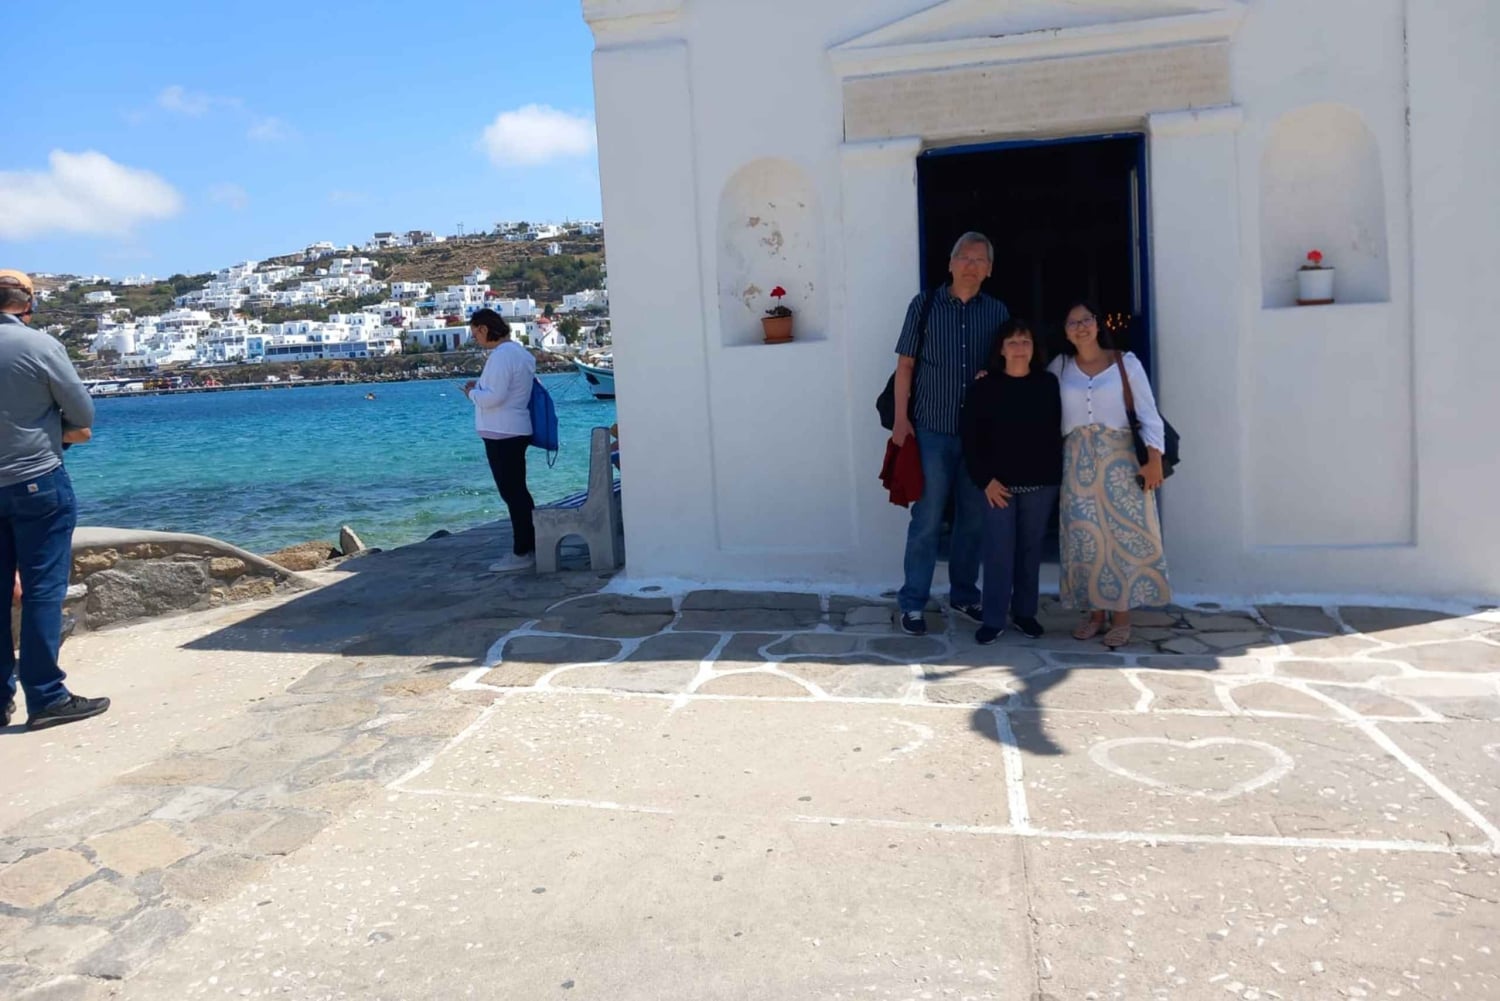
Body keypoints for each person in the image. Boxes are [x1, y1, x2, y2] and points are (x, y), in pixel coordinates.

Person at [0, 269, 109, 729]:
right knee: (43, 591)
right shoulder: (40, 346)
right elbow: (83, 413)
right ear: (27, 302)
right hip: (36, 480)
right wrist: (47, 428)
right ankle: (46, 697)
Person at [891, 232, 1010, 635]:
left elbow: (1009, 368)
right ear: (950, 263)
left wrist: (993, 378)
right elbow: (906, 366)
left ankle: (963, 595)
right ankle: (912, 603)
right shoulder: (924, 305)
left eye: (980, 260)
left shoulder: (997, 312)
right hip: (931, 431)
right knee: (926, 518)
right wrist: (901, 420)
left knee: (972, 519)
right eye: (965, 257)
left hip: (978, 437)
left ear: (989, 270)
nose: (971, 266)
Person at [1047, 300, 1171, 648]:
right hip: (1077, 462)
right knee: (1086, 537)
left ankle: (1121, 616)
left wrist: (1154, 459)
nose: (1081, 327)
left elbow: (1148, 413)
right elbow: (1036, 398)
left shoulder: (1125, 363)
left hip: (1121, 462)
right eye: (1073, 323)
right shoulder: (1060, 367)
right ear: (1065, 332)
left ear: (1098, 324)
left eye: (1086, 320)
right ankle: (1095, 613)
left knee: (1122, 537)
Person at [960, 319, 1062, 644]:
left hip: (1039, 485)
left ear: (1034, 348)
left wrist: (1053, 479)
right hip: (997, 486)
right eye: (1013, 342)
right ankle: (993, 618)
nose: (1020, 348)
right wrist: (985, 480)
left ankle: (1025, 613)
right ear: (1001, 349)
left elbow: (1055, 432)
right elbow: (971, 439)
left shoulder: (1048, 384)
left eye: (1025, 341)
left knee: (1030, 552)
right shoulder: (983, 388)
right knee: (998, 552)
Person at [463, 307, 536, 573]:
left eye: (476, 335)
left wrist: (471, 393)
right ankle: (531, 545)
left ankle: (523, 551)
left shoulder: (501, 356)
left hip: (502, 433)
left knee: (512, 493)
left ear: (484, 329)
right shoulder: (521, 353)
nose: (477, 340)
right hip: (516, 429)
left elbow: (494, 397)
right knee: (518, 492)